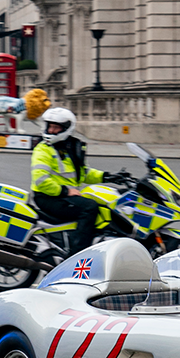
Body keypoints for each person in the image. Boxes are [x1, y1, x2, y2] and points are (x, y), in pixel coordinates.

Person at [30, 107, 107, 255]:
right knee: (89, 208)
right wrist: (66, 191)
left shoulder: (69, 147)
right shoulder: (43, 149)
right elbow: (41, 180)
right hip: (48, 197)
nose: (51, 131)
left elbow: (83, 173)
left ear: (66, 128)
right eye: (50, 126)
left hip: (61, 196)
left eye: (56, 127)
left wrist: (108, 176)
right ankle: (77, 256)